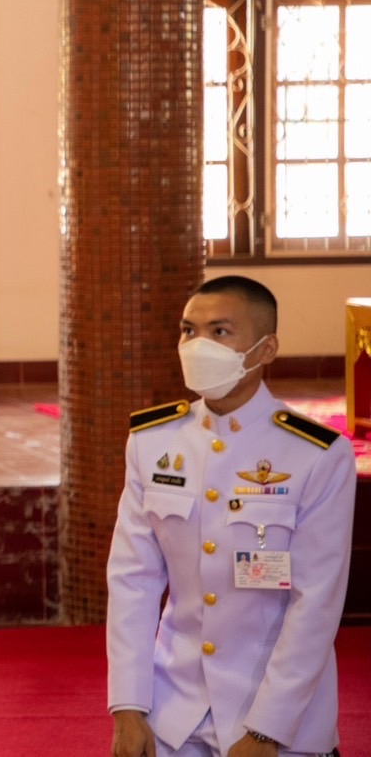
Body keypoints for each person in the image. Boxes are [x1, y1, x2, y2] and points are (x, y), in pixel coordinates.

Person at [107, 276, 355, 757]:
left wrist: (266, 731)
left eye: (220, 332)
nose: (198, 345)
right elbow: (132, 579)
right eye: (188, 331)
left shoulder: (316, 454)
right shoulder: (153, 441)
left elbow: (316, 603)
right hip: (173, 713)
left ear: (266, 349)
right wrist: (129, 706)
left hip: (281, 719)